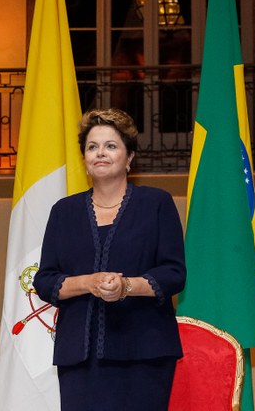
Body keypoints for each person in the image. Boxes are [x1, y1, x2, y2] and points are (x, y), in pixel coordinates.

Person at [34, 107, 187, 411]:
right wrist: (87, 283)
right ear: (85, 161)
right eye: (92, 147)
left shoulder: (156, 204)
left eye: (110, 145)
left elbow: (174, 274)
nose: (100, 153)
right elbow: (45, 281)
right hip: (78, 356)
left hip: (145, 353)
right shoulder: (63, 212)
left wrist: (126, 286)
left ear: (130, 158)